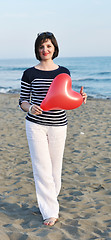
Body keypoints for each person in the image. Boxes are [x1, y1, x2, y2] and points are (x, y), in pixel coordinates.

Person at [19, 32, 87, 226]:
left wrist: (80, 98)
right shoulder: (29, 73)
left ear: (54, 48)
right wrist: (30, 107)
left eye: (48, 46)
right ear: (37, 50)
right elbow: (22, 100)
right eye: (41, 47)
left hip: (58, 125)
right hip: (35, 125)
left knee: (55, 169)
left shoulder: (63, 72)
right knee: (41, 168)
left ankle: (48, 202)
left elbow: (67, 97)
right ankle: (50, 211)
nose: (45, 50)